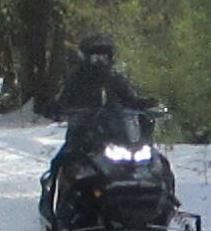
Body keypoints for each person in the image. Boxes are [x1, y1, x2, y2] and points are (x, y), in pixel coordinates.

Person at [46, 34, 154, 171]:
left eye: (104, 57)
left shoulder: (116, 79)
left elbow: (131, 100)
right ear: (85, 57)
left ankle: (159, 191)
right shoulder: (75, 80)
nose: (100, 61)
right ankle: (53, 190)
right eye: (95, 57)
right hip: (82, 138)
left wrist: (145, 104)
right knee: (60, 163)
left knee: (154, 163)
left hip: (117, 138)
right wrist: (57, 109)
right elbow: (63, 102)